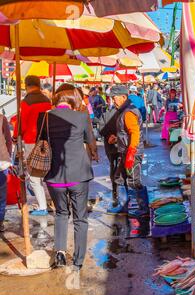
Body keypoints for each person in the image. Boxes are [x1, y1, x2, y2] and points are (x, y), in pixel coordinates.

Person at [37, 85, 97, 271]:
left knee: (61, 214)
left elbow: (43, 141)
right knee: (80, 219)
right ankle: (78, 261)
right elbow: (90, 140)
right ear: (73, 100)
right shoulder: (81, 117)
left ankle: (60, 252)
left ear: (57, 100)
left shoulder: (45, 117)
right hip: (78, 175)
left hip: (55, 177)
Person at [13, 75, 52, 216]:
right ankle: (47, 200)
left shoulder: (27, 101)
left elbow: (21, 123)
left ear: (27, 85)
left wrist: (15, 136)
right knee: (44, 171)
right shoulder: (47, 100)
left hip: (31, 140)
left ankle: (42, 206)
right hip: (47, 140)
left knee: (34, 175)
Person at [108, 85, 149, 217]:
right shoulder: (123, 110)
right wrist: (116, 138)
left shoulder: (128, 112)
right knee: (119, 178)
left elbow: (135, 133)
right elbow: (126, 132)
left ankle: (144, 208)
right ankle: (123, 205)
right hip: (125, 151)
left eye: (114, 98)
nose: (113, 101)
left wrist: (131, 152)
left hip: (132, 152)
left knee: (134, 180)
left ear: (123, 97)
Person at [98, 96, 125, 214]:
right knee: (119, 167)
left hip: (111, 145)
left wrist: (109, 136)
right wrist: (114, 137)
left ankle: (115, 190)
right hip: (118, 144)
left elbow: (101, 129)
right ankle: (120, 190)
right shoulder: (120, 112)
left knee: (113, 166)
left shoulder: (107, 113)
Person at [0, 114, 12, 233]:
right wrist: (8, 156)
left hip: (2, 162)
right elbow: (8, 141)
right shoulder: (2, 118)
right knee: (1, 196)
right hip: (2, 161)